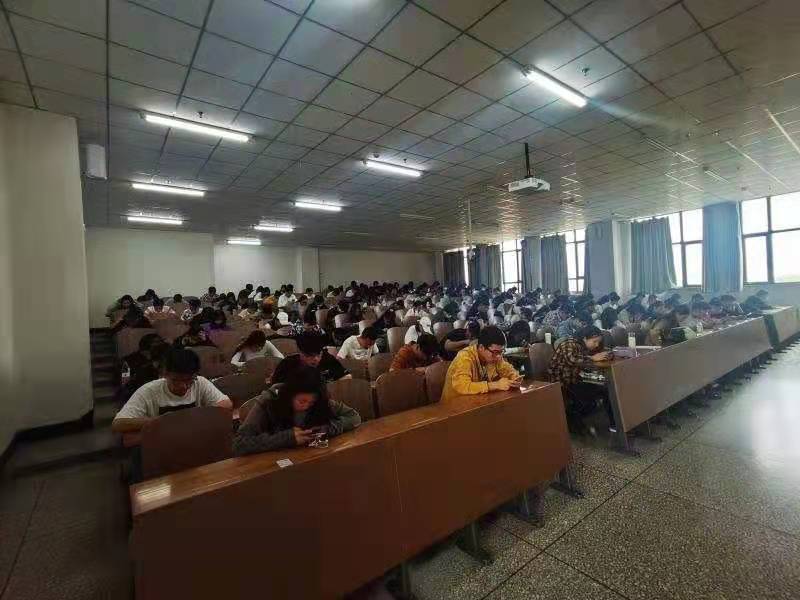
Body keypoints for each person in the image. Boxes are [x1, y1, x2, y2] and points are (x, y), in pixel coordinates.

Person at [234, 367, 360, 456]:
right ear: (290, 395)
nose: (306, 406)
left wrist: (327, 429)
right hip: (276, 463)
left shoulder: (319, 400)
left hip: (312, 457)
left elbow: (354, 417)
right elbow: (239, 444)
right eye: (301, 401)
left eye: (311, 403)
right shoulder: (269, 401)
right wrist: (286, 438)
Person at [111, 348, 232, 433]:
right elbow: (118, 424)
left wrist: (196, 416)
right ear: (165, 374)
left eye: (189, 380)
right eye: (176, 380)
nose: (184, 386)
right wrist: (160, 421)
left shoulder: (200, 382)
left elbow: (226, 404)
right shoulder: (149, 390)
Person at [547, 325, 615, 434]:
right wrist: (592, 358)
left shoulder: (583, 346)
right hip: (564, 382)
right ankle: (572, 418)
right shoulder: (569, 344)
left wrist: (606, 354)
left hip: (577, 378)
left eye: (598, 342)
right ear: (584, 338)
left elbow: (589, 359)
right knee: (603, 390)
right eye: (594, 341)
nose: (597, 345)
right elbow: (572, 359)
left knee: (606, 386)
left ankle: (614, 423)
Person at [440, 326, 521, 402]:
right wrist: (496, 385)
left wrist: (514, 378)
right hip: (455, 405)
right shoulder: (464, 357)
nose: (498, 356)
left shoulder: (495, 355)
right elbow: (462, 386)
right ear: (481, 347)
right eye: (495, 352)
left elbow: (507, 370)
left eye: (501, 352)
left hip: (478, 401)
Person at [271, 332, 348, 385]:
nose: (316, 359)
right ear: (300, 352)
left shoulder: (328, 359)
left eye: (319, 354)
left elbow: (346, 377)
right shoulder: (288, 364)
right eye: (310, 355)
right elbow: (276, 387)